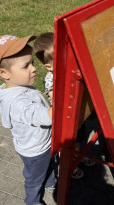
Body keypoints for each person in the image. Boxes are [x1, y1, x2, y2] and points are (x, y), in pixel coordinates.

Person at [0, 35, 56, 205]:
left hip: (42, 142)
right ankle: (32, 202)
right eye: (26, 66)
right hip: (35, 149)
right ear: (4, 73)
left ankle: (51, 181)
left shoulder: (16, 86)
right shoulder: (17, 102)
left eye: (32, 62)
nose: (33, 69)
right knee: (34, 177)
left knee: (50, 164)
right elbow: (44, 116)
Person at [33, 32, 95, 179]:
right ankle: (67, 163)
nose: (68, 62)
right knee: (66, 146)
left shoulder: (71, 71)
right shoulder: (51, 79)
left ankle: (78, 156)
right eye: (62, 60)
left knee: (79, 139)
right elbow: (57, 99)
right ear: (49, 66)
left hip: (78, 115)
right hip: (65, 119)